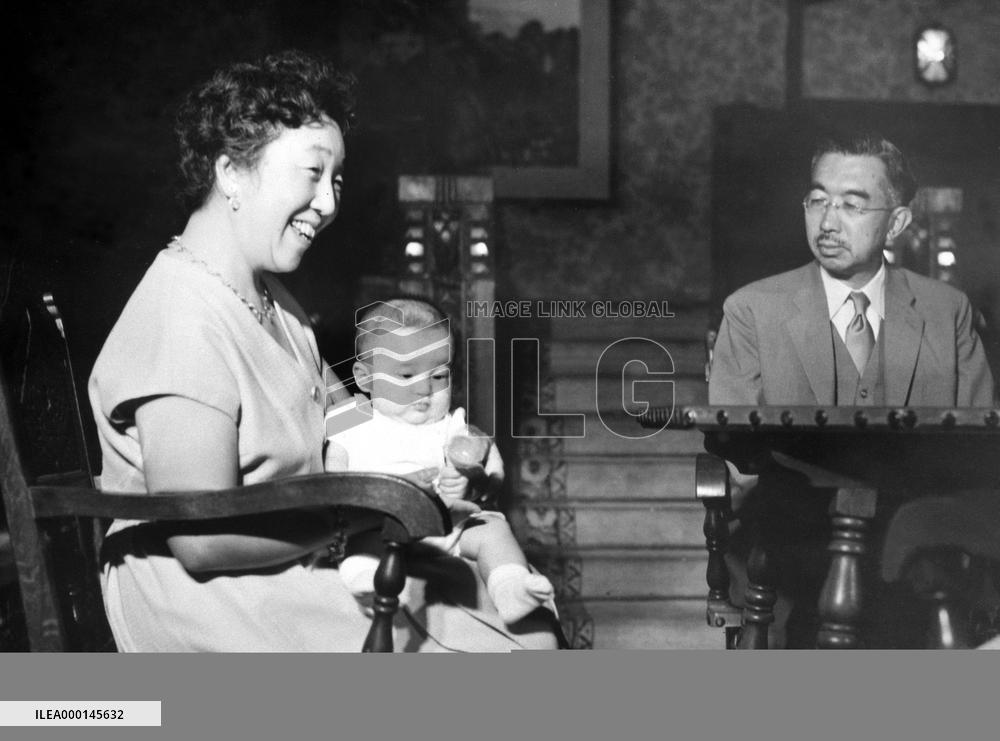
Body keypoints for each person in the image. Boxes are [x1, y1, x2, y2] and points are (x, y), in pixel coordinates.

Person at [88, 50, 557, 651]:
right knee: (505, 649)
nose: (331, 203)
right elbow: (201, 542)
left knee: (518, 618)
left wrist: (448, 459)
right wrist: (365, 512)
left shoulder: (273, 301)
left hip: (294, 559)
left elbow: (348, 423)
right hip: (210, 597)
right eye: (312, 174)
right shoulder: (182, 315)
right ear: (231, 172)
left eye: (336, 179)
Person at [708, 132, 996, 647]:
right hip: (796, 531)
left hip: (917, 529)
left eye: (852, 204)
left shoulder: (944, 311)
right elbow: (733, 444)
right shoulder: (753, 310)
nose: (828, 220)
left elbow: (976, 440)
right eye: (817, 199)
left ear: (898, 222)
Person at [323, 298, 555, 625]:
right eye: (405, 375)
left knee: (493, 530)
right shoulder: (352, 418)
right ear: (364, 378)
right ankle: (367, 583)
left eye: (438, 376)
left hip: (447, 525)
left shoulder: (450, 423)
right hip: (380, 524)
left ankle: (510, 589)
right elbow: (332, 469)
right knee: (359, 544)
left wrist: (470, 477)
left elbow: (484, 463)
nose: (423, 389)